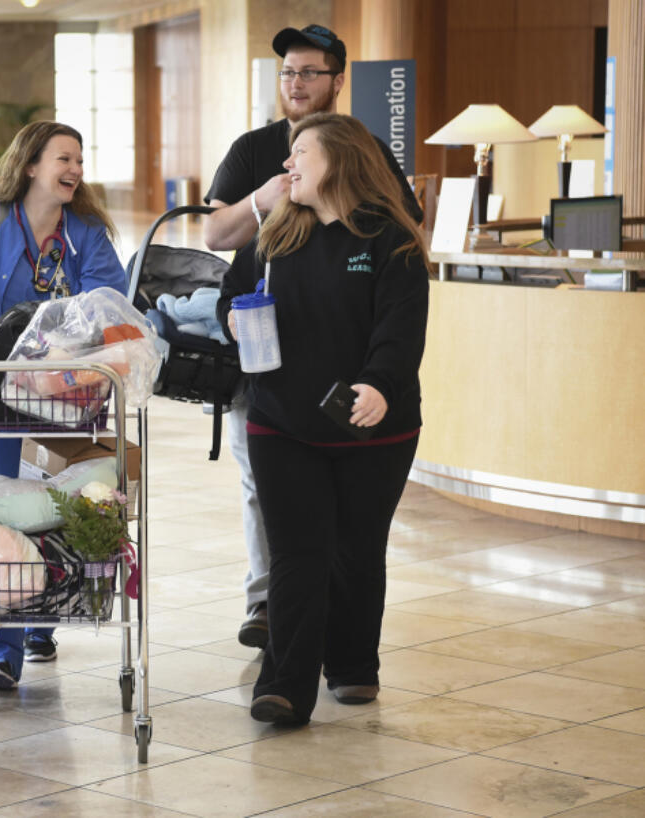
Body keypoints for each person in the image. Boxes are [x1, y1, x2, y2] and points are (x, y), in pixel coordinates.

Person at [201, 24, 423, 651]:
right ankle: (270, 604)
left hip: (350, 370)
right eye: (287, 73)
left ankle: (338, 636)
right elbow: (216, 236)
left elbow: (402, 232)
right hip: (268, 356)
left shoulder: (363, 147)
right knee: (265, 489)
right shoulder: (253, 150)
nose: (295, 84)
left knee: (347, 523)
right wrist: (262, 200)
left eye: (308, 73)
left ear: (336, 80)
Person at [0, 120, 127, 692]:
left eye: (79, 160)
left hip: (67, 396)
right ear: (30, 165)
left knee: (60, 503)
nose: (74, 170)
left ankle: (43, 612)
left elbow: (107, 301)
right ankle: (1, 648)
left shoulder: (87, 233)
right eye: (63, 159)